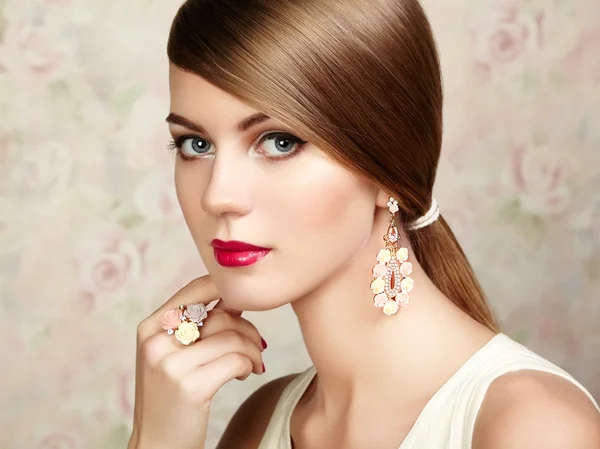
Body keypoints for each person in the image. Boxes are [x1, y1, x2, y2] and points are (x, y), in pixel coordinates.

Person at [127, 0, 600, 448]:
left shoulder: (533, 426)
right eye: (196, 145)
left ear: (386, 167)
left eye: (279, 142)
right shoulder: (260, 421)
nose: (218, 195)